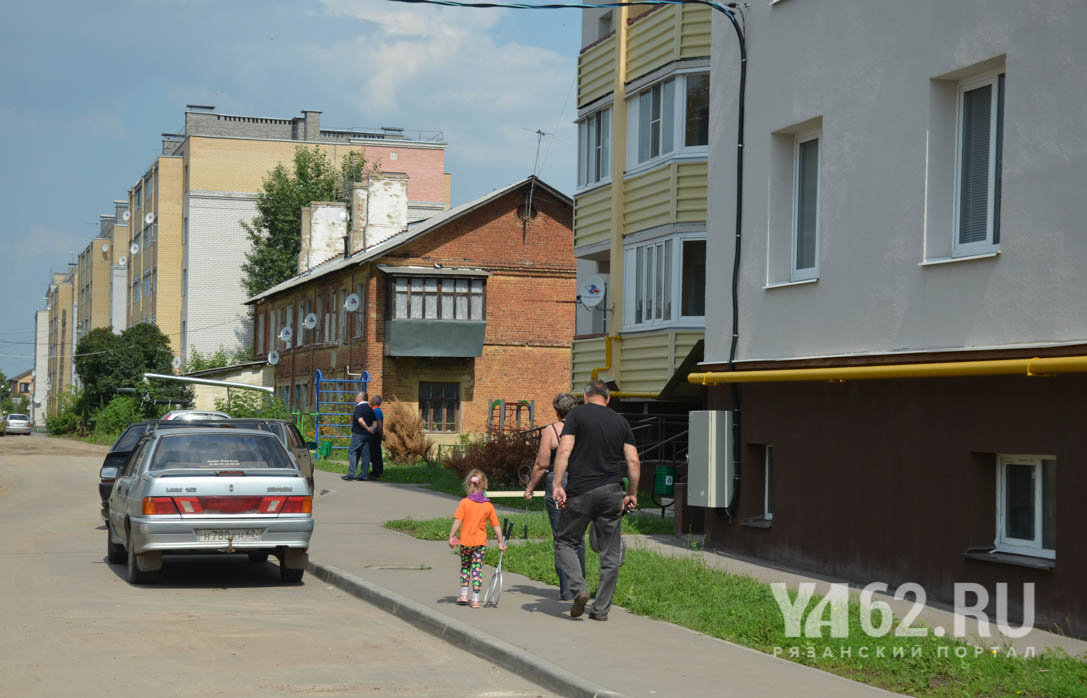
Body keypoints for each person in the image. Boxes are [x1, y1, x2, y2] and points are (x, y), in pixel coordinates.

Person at [552, 379, 640, 621]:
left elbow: (564, 450)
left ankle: (580, 588)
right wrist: (631, 493)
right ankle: (600, 610)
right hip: (612, 492)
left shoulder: (577, 415)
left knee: (565, 542)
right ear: (608, 399)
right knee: (610, 555)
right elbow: (633, 461)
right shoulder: (620, 421)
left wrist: (557, 484)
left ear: (585, 395)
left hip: (580, 491)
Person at [524, 392, 586, 600]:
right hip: (580, 483)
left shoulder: (551, 431)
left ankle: (568, 590)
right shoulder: (583, 429)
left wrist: (530, 487)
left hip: (557, 483)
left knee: (561, 537)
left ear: (556, 411)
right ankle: (581, 586)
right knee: (578, 537)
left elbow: (541, 464)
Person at [448, 469, 507, 608]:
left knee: (465, 567)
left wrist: (452, 536)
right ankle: (475, 599)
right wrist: (500, 542)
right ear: (485, 486)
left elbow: (457, 521)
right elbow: (496, 526)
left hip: (466, 543)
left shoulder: (464, 503)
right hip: (480, 544)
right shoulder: (488, 506)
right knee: (477, 569)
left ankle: (463, 594)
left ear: (469, 485)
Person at [344, 392, 377, 481]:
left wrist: (366, 428)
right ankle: (364, 475)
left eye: (357, 396)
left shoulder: (359, 407)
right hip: (367, 435)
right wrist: (371, 429)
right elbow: (375, 421)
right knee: (365, 454)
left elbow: (360, 420)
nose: (356, 398)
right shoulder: (370, 408)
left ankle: (352, 474)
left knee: (352, 451)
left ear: (360, 398)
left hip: (359, 433)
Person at [369, 395, 385, 480]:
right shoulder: (374, 410)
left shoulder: (376, 411)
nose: (370, 400)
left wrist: (381, 435)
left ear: (375, 402)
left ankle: (376, 472)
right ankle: (377, 471)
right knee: (374, 454)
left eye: (372, 399)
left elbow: (379, 425)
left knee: (375, 454)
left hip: (375, 435)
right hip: (374, 435)